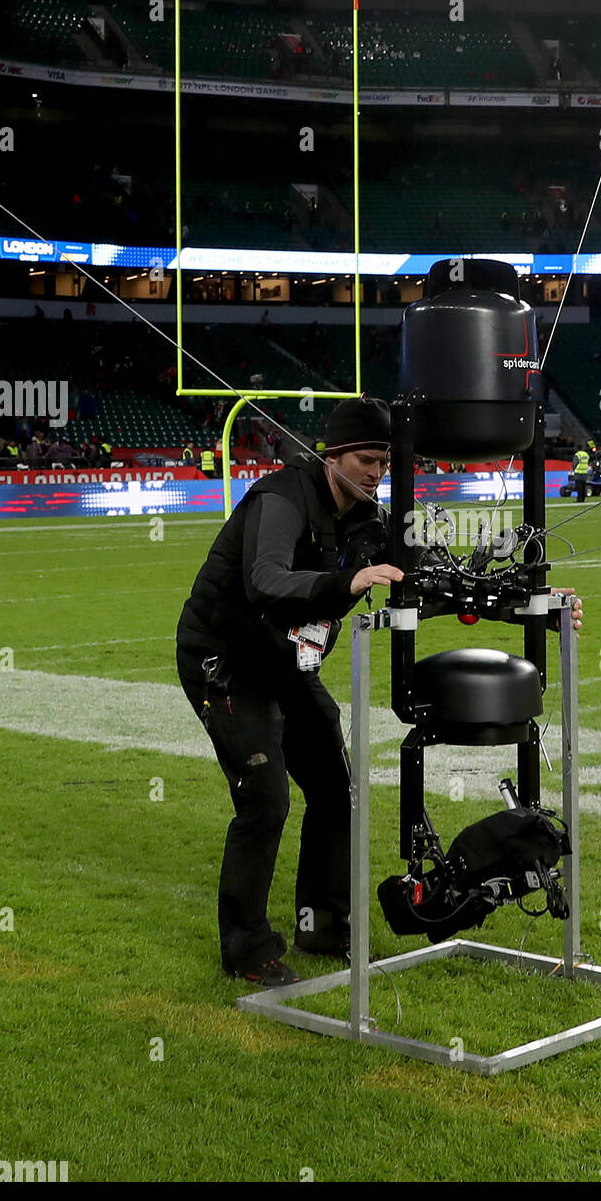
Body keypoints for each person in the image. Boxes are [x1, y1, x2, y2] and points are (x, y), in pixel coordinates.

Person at [176, 398, 402, 987]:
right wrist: (348, 579)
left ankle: (322, 923)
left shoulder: (371, 519)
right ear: (333, 456)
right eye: (366, 459)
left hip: (283, 664)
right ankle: (247, 951)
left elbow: (421, 574)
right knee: (266, 799)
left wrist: (540, 606)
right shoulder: (282, 497)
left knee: (333, 786)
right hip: (224, 661)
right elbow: (267, 580)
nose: (376, 472)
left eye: (384, 461)